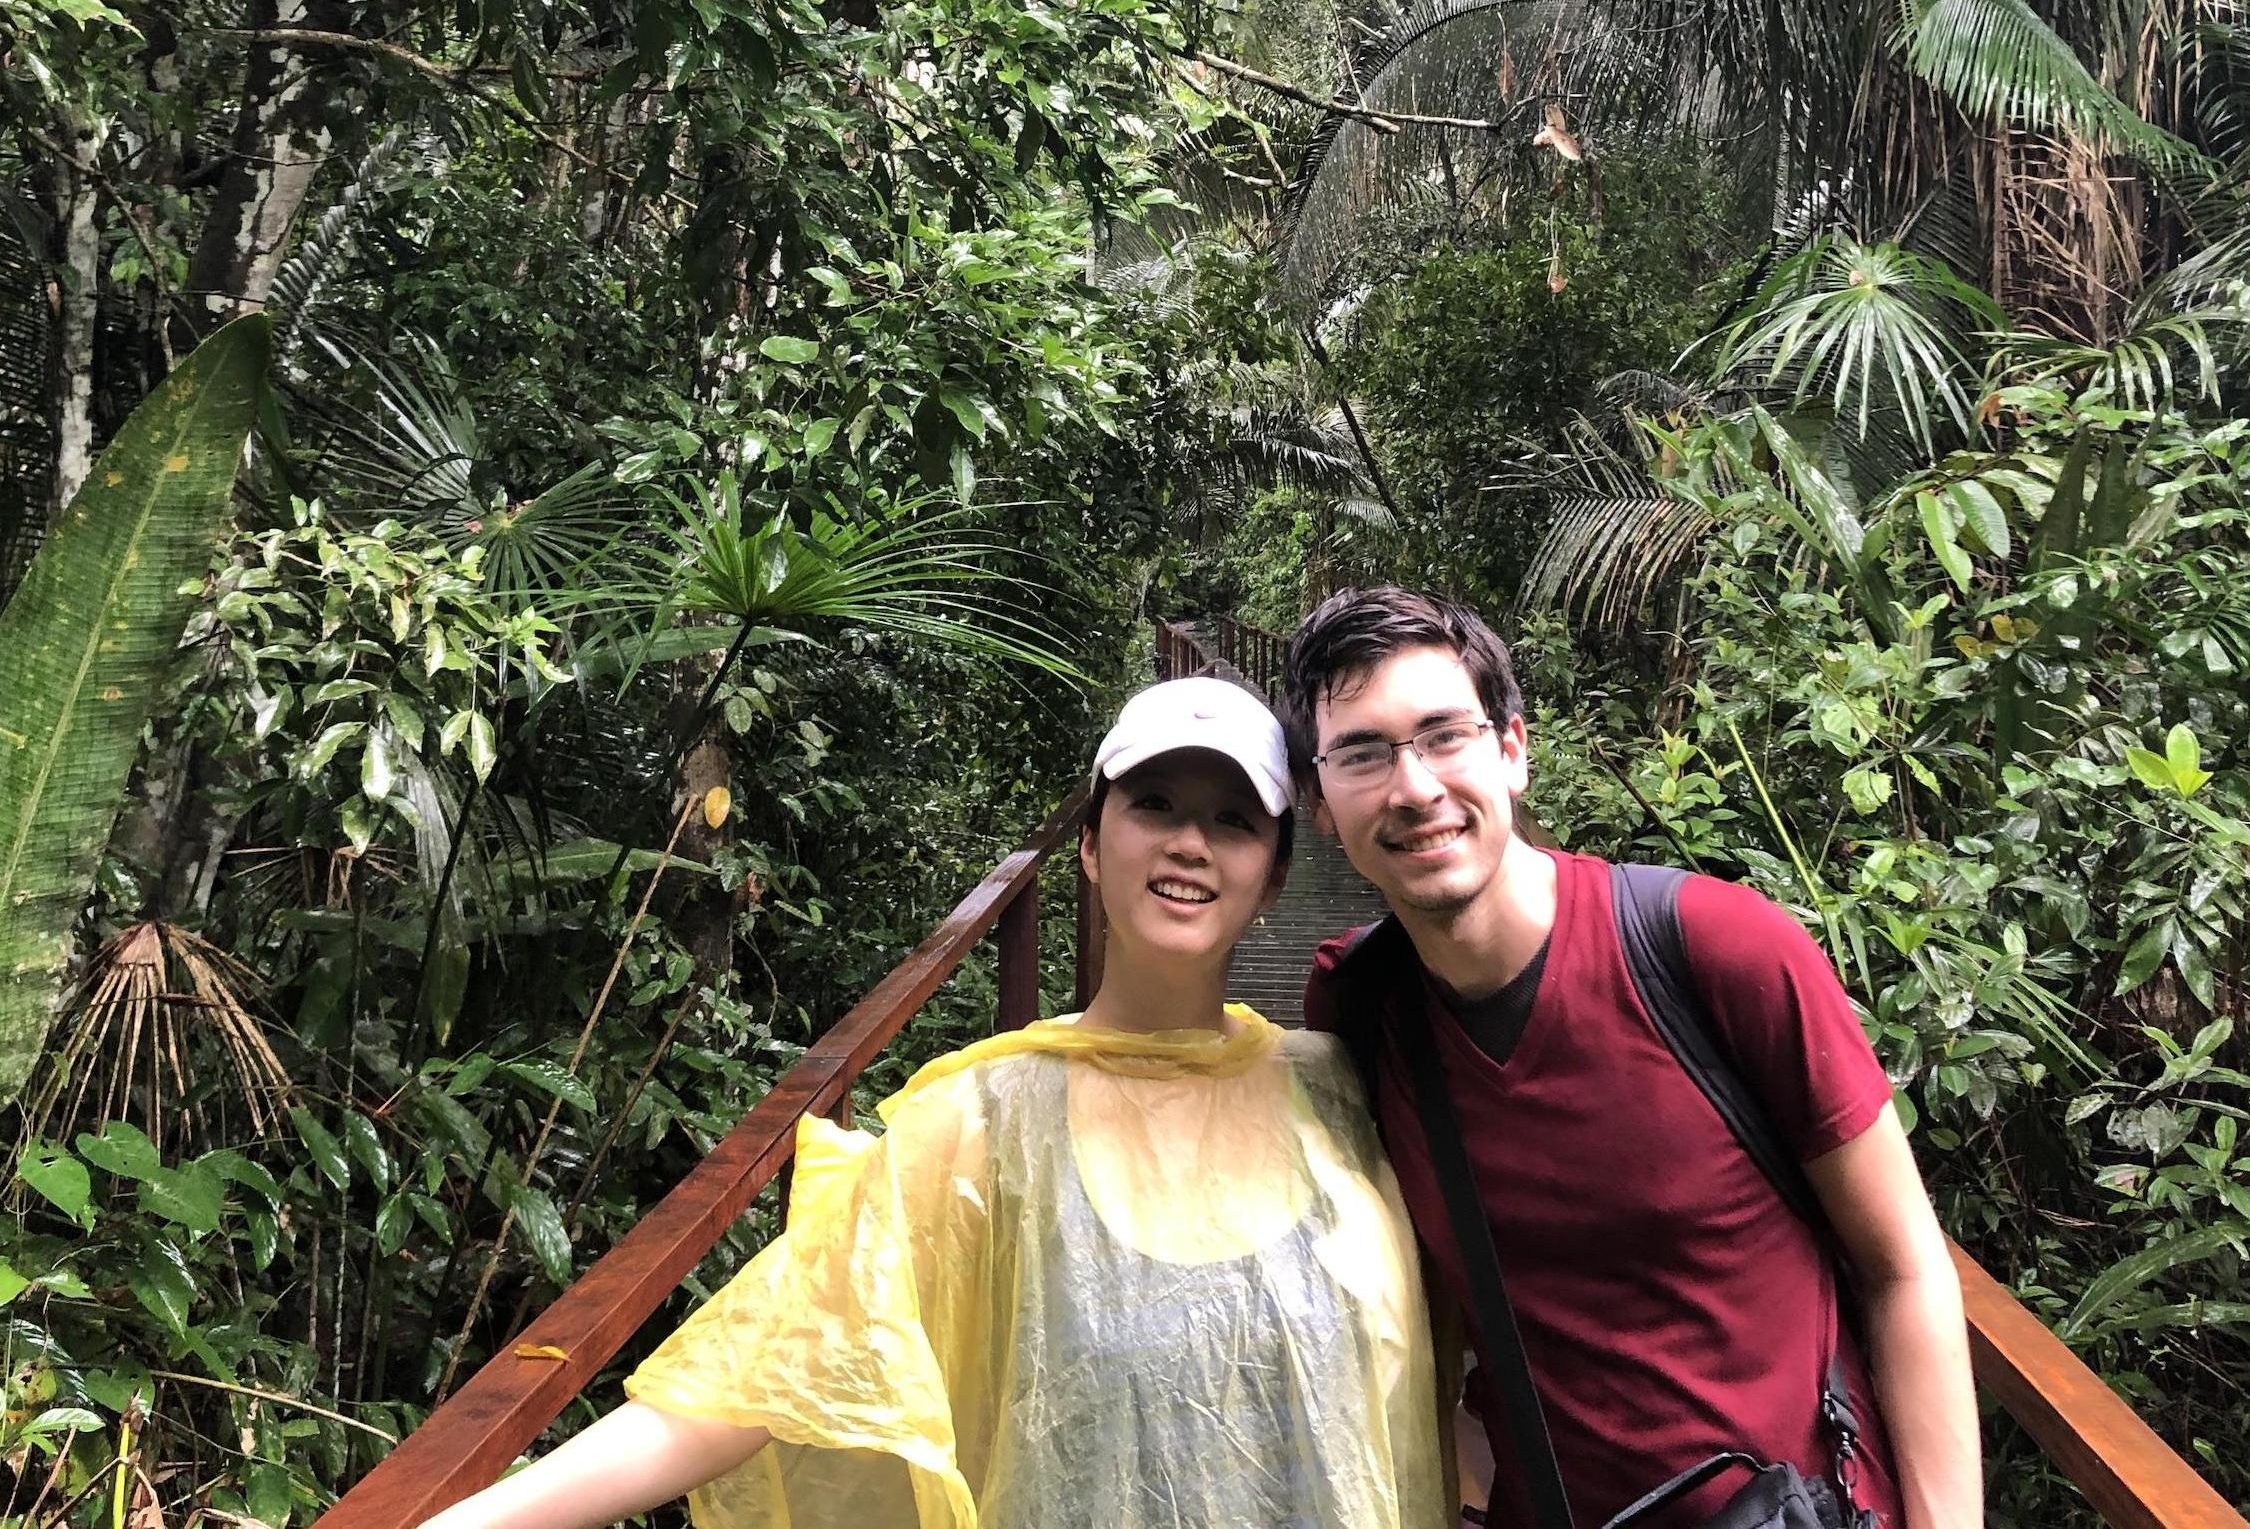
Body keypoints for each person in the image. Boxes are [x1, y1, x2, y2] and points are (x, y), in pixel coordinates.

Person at [423, 672, 1452, 1529]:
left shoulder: (1341, 1088)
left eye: (1232, 821)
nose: (1190, 843)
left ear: (1272, 878)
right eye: (1155, 806)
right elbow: (778, 1359)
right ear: (1090, 848)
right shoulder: (989, 1120)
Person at [1284, 587, 1982, 1529]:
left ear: (1513, 750)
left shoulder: (1712, 949)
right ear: (1322, 805)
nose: (1413, 787)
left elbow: (1903, 1264)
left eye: (1444, 734)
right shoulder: (1362, 1009)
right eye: (1363, 753)